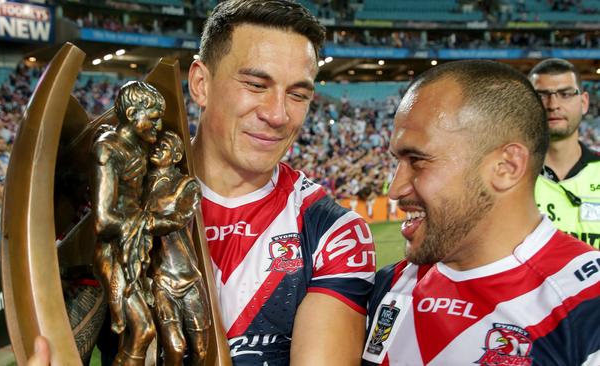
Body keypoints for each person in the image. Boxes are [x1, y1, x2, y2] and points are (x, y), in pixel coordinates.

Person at [363, 60, 600, 365]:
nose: (394, 189)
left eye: (418, 160)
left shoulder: (587, 307)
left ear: (506, 167)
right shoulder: (388, 285)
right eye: (398, 160)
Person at [187, 0, 375, 364]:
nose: (278, 115)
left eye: (297, 94)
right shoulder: (125, 203)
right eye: (256, 84)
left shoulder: (333, 232)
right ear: (201, 84)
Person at [91, 81, 165, 366]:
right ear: (134, 113)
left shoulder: (140, 149)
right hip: (113, 254)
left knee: (144, 333)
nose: (158, 127)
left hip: (136, 250)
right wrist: (148, 222)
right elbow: (102, 220)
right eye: (154, 119)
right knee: (142, 330)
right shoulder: (107, 151)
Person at [145, 132, 209, 365]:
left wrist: (145, 221)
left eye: (163, 146)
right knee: (174, 346)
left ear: (176, 155)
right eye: (155, 145)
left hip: (189, 276)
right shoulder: (140, 183)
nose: (156, 149)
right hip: (161, 278)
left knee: (200, 349)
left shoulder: (186, 184)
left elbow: (178, 217)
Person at [528, 58, 600, 249]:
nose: (553, 105)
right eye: (541, 95)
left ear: (584, 102)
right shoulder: (506, 176)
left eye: (566, 94)